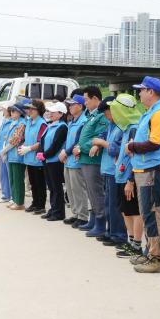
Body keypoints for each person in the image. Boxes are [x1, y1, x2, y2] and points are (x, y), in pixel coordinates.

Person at [125, 76, 160, 274]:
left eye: (142, 90)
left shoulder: (159, 114)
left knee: (152, 214)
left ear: (151, 92)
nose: (139, 93)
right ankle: (149, 252)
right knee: (147, 213)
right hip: (144, 169)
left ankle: (156, 258)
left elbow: (155, 143)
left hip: (151, 170)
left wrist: (132, 146)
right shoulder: (151, 112)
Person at [109, 94, 144, 258]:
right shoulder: (126, 128)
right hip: (121, 175)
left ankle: (136, 245)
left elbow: (135, 157)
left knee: (134, 211)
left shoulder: (134, 128)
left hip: (130, 177)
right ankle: (131, 242)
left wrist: (130, 180)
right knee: (125, 211)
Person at [93, 97, 128, 246]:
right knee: (108, 204)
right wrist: (98, 143)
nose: (107, 117)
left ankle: (118, 235)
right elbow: (101, 135)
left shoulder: (122, 127)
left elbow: (117, 150)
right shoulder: (111, 125)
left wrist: (102, 143)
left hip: (116, 171)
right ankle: (110, 231)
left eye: (108, 113)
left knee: (115, 205)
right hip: (107, 169)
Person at [75, 86, 109, 237]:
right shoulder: (91, 115)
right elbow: (85, 137)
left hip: (94, 160)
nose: (85, 103)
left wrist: (80, 147)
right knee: (91, 192)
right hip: (85, 158)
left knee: (96, 192)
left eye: (87, 99)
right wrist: (78, 147)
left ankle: (101, 224)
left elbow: (98, 137)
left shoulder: (102, 116)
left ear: (95, 98)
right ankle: (94, 219)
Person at [62, 96, 89, 228]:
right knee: (70, 189)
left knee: (78, 189)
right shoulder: (72, 121)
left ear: (80, 106)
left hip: (76, 161)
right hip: (68, 160)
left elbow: (78, 141)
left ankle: (83, 216)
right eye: (69, 105)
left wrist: (65, 152)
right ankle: (75, 213)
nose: (70, 107)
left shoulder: (83, 121)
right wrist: (64, 151)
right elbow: (68, 141)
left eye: (73, 105)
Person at [18, 100, 47, 214]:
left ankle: (41, 205)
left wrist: (29, 148)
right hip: (29, 158)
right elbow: (27, 137)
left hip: (37, 158)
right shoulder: (29, 121)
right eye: (28, 108)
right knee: (32, 182)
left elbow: (41, 142)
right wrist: (24, 146)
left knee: (39, 183)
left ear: (38, 110)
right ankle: (35, 203)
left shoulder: (42, 123)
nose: (29, 110)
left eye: (32, 109)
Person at [40, 102, 68, 221]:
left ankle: (59, 212)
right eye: (50, 111)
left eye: (53, 112)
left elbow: (56, 144)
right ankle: (53, 209)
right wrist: (42, 154)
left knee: (56, 187)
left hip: (55, 161)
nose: (50, 113)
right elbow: (43, 140)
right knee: (51, 186)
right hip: (47, 160)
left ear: (61, 114)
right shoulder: (50, 125)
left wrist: (45, 155)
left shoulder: (62, 127)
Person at [3, 103, 27, 210]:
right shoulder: (14, 122)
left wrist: (4, 150)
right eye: (11, 110)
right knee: (12, 179)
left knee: (17, 180)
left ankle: (19, 202)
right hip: (11, 155)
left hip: (17, 156)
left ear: (19, 112)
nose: (11, 112)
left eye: (13, 111)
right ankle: (14, 199)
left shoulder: (22, 123)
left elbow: (15, 140)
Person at [0, 101, 16, 203]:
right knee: (3, 174)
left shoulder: (13, 121)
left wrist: (4, 150)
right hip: (1, 151)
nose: (3, 110)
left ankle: (12, 196)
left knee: (10, 175)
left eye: (4, 109)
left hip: (8, 152)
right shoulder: (4, 120)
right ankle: (5, 195)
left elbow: (11, 139)